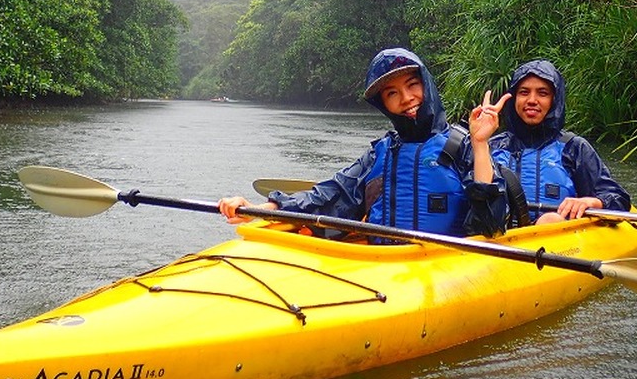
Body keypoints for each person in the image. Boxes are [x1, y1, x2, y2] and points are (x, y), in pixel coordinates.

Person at [218, 47, 509, 238]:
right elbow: (331, 195)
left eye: (412, 85)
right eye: (392, 93)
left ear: (426, 86)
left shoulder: (463, 145)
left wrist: (481, 143)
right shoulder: (381, 154)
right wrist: (262, 207)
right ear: (384, 105)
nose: (406, 98)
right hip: (383, 268)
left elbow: (490, 222)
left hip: (445, 265)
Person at [489, 59, 630, 225]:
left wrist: (591, 202)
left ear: (554, 101)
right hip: (501, 238)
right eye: (524, 92)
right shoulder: (491, 146)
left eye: (542, 93)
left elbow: (617, 199)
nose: (532, 100)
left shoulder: (574, 148)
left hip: (556, 238)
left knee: (550, 220)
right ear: (514, 100)